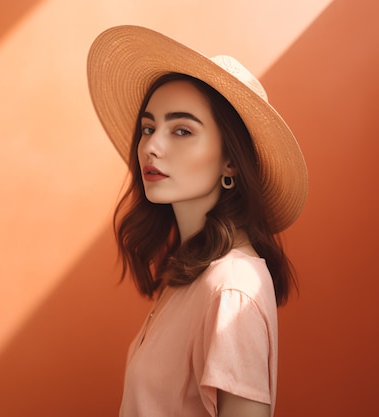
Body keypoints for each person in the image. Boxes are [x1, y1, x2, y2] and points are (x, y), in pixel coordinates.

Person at [87, 25, 308, 417]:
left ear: (230, 161)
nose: (152, 146)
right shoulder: (193, 274)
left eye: (182, 130)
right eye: (149, 128)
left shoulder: (232, 290)